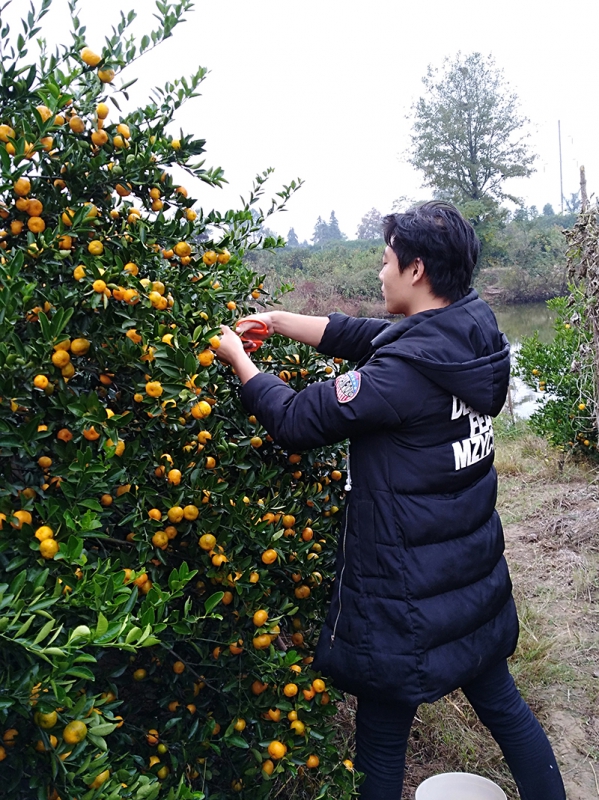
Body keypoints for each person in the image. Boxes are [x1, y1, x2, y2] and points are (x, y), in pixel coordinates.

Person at [215, 201, 566, 800]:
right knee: (505, 707)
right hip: (471, 577)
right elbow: (365, 336)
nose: (379, 273)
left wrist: (240, 361)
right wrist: (275, 320)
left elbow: (297, 421)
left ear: (416, 269)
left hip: (404, 594)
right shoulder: (470, 331)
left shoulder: (401, 375)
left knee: (380, 741)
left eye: (385, 262)